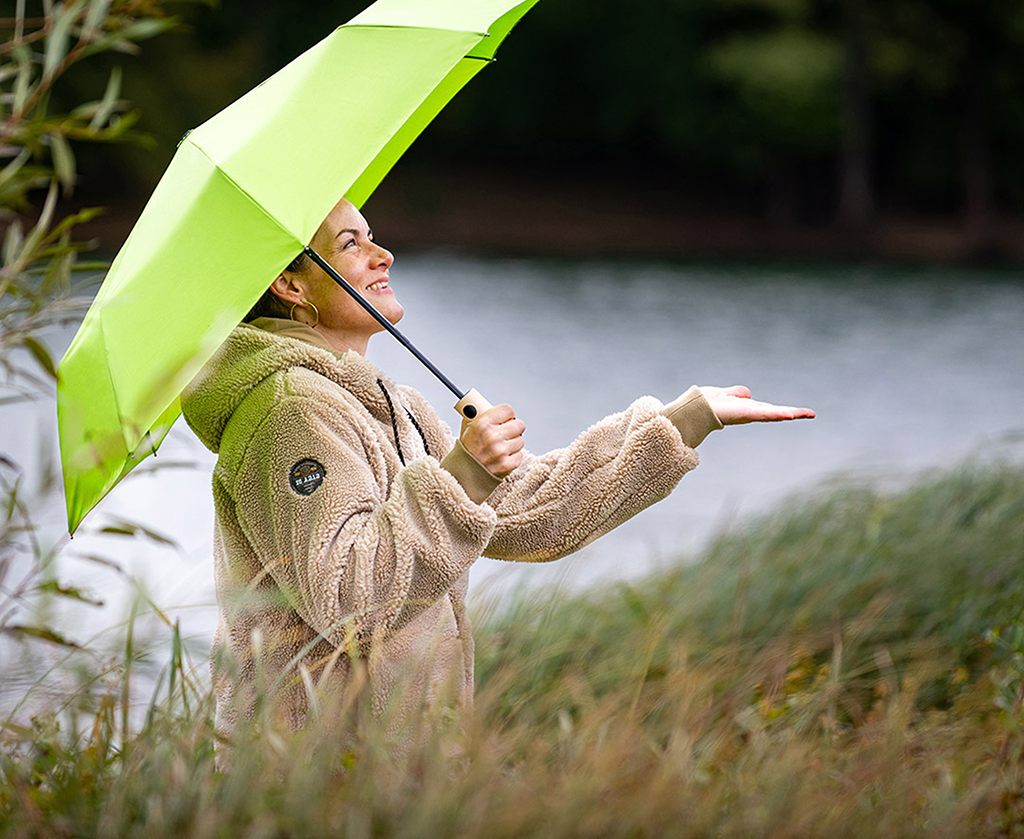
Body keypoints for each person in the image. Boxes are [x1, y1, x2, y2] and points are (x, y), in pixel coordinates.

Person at [181, 198, 814, 751]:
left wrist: (686, 419)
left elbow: (531, 516)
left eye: (373, 236)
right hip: (316, 785)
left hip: (405, 775)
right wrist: (464, 470)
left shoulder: (395, 406)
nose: (384, 255)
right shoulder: (288, 414)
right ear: (292, 287)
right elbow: (352, 599)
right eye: (351, 244)